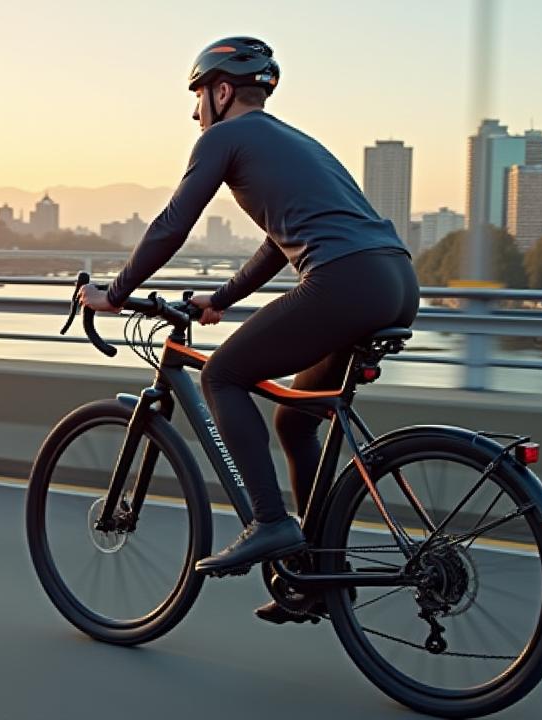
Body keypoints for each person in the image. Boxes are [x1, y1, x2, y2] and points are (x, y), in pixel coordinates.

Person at [77, 36, 420, 623]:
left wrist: (115, 293)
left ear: (221, 91)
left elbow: (172, 224)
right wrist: (222, 299)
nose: (195, 114)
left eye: (197, 98)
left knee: (224, 375)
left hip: (343, 281)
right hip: (395, 279)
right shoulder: (294, 140)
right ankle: (315, 576)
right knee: (295, 420)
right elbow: (276, 242)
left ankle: (270, 521)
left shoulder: (224, 138)